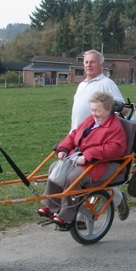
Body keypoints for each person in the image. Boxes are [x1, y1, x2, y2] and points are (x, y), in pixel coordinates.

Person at [38, 91, 127, 226]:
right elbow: (74, 135)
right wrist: (63, 148)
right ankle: (52, 206)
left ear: (108, 109)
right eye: (92, 110)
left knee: (74, 178)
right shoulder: (90, 120)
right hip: (79, 158)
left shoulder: (114, 127)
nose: (94, 113)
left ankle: (66, 215)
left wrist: (89, 154)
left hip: (100, 163)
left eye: (97, 110)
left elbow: (115, 149)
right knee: (54, 168)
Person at [70, 49, 130, 221]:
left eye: (93, 62)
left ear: (101, 65)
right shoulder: (82, 85)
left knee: (86, 178)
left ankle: (81, 218)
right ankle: (118, 198)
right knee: (78, 177)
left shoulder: (106, 83)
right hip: (80, 136)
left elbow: (120, 108)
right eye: (86, 62)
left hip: (97, 140)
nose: (89, 65)